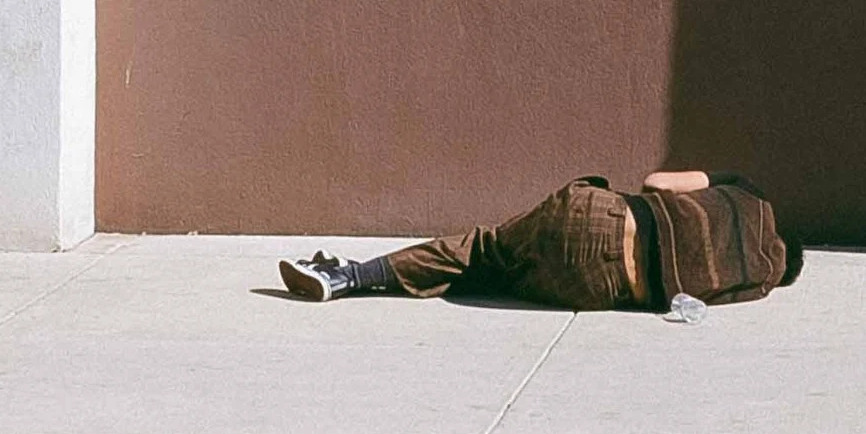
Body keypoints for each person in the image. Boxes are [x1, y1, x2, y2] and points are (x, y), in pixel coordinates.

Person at [279, 171, 801, 314]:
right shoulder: (758, 283)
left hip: (599, 218)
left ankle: (350, 274)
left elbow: (658, 181)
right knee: (490, 266)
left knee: (483, 248)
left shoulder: (749, 195)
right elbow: (692, 302)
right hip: (600, 288)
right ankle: (352, 275)